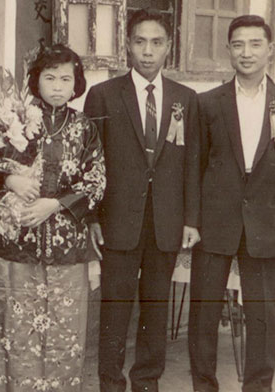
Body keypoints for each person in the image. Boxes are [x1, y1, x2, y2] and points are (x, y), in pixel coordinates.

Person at [188, 15, 275, 392]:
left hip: (265, 224)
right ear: (228, 51)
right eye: (238, 44)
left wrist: (262, 201)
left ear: (270, 50)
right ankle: (204, 386)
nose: (247, 52)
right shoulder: (206, 103)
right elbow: (195, 164)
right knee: (204, 313)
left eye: (256, 44)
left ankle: (258, 387)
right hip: (215, 223)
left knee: (264, 316)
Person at [84, 9, 201, 392]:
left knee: (155, 305)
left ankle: (147, 380)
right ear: (127, 45)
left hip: (165, 222)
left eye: (156, 42)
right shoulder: (102, 95)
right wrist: (92, 217)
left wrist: (190, 219)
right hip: (117, 220)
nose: (147, 51)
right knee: (114, 308)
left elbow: (192, 164)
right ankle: (110, 382)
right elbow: (91, 162)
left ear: (169, 47)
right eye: (139, 41)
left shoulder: (186, 99)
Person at [0, 44, 106, 391]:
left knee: (64, 331)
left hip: (67, 246)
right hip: (16, 242)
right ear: (35, 81)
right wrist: (9, 179)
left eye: (65, 79)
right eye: (49, 77)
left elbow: (97, 180)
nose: (56, 86)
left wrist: (55, 205)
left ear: (76, 84)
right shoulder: (14, 119)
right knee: (14, 329)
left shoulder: (84, 128)